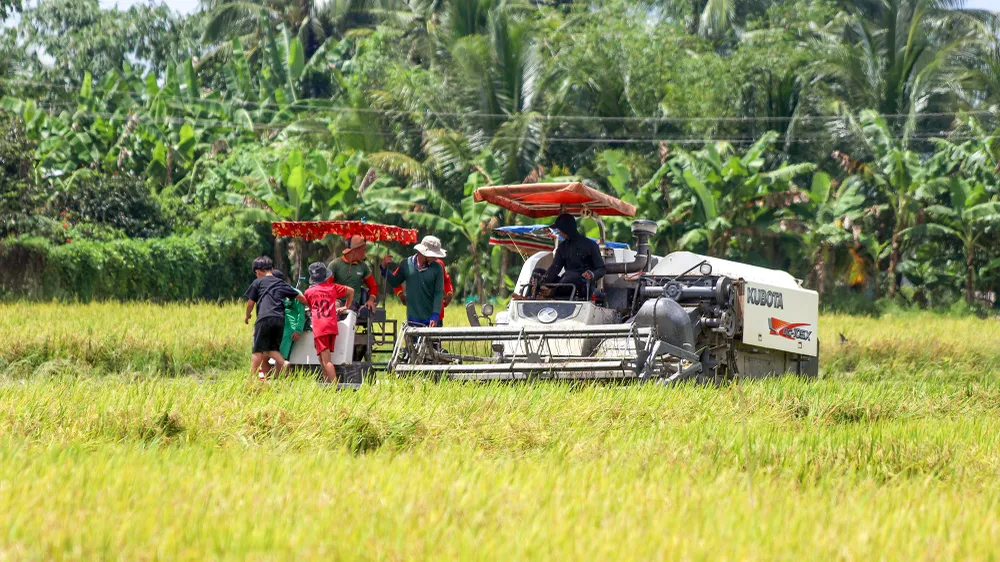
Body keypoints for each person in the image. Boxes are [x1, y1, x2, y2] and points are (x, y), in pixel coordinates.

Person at [243, 256, 308, 380]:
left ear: (257, 271)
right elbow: (299, 297)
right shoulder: (280, 283)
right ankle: (283, 363)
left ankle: (252, 377)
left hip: (264, 318)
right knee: (271, 348)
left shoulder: (257, 282)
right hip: (279, 321)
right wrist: (312, 305)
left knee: (257, 349)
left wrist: (247, 316)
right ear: (271, 269)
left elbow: (250, 303)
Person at [304, 262, 354, 384]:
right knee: (322, 359)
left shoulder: (308, 292)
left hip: (320, 327)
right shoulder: (333, 287)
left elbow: (310, 307)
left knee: (326, 361)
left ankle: (334, 388)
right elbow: (351, 291)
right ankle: (327, 385)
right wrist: (346, 306)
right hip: (331, 326)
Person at [381, 235, 446, 327]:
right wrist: (384, 268)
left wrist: (435, 315)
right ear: (423, 253)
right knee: (413, 341)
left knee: (433, 341)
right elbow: (395, 282)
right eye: (433, 255)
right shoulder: (406, 264)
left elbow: (438, 293)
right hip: (413, 317)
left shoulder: (437, 268)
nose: (436, 257)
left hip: (432, 319)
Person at [542, 213, 605, 300]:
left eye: (559, 229)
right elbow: (554, 268)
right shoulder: (562, 247)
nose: (558, 232)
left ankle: (550, 293)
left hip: (582, 286)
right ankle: (530, 295)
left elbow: (602, 269)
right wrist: (542, 281)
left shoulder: (591, 245)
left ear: (566, 229)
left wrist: (592, 274)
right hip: (565, 283)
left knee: (570, 276)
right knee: (538, 272)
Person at [392, 257, 454, 325]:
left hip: (436, 316)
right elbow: (394, 278)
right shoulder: (409, 263)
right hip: (416, 314)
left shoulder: (439, 264)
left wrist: (449, 293)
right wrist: (400, 294)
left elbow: (446, 280)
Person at [328, 235, 379, 312]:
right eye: (363, 250)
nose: (364, 254)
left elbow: (373, 286)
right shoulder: (335, 265)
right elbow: (326, 286)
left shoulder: (363, 266)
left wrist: (371, 300)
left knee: (348, 311)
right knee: (335, 307)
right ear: (355, 250)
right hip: (336, 301)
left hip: (353, 304)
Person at [270, 270, 305, 360]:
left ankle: (283, 374)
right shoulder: (274, 293)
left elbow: (301, 312)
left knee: (282, 357)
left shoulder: (295, 292)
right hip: (279, 326)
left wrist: (298, 330)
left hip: (290, 329)